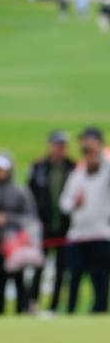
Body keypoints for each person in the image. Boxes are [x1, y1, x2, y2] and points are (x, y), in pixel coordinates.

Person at [59, 127, 110, 313]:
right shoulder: (77, 174)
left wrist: (100, 150)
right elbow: (64, 202)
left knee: (100, 278)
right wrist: (74, 204)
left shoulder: (106, 172)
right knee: (74, 277)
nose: (89, 155)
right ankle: (71, 311)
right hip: (78, 235)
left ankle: (99, 312)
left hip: (101, 235)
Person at [26, 130, 76, 311]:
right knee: (38, 265)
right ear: (50, 145)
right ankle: (33, 302)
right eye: (57, 144)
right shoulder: (39, 167)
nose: (60, 148)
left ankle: (54, 306)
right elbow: (30, 193)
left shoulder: (72, 167)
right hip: (43, 226)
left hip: (65, 227)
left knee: (61, 269)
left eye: (63, 145)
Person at [0, 152, 38, 315]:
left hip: (16, 243)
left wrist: (8, 218)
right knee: (0, 280)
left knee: (18, 279)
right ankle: (0, 313)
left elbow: (30, 217)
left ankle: (21, 311)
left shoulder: (20, 191)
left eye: (1, 169)